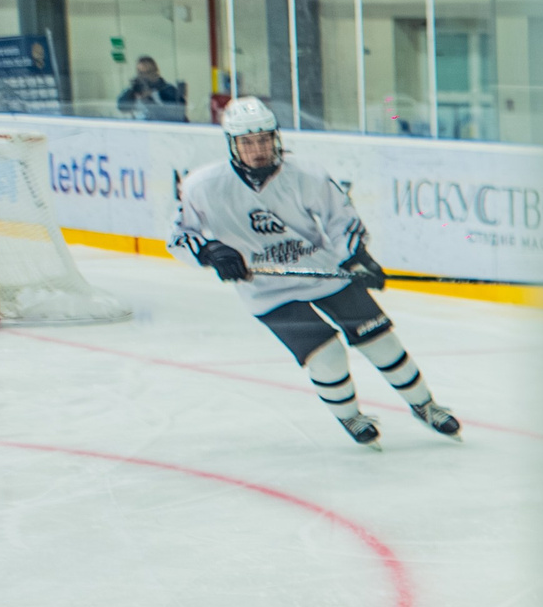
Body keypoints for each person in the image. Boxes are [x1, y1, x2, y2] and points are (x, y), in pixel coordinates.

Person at [174, 96, 460, 449]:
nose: (258, 149)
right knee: (327, 355)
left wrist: (356, 256)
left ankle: (426, 406)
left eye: (264, 139)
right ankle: (351, 417)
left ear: (275, 138)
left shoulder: (306, 174)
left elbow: (342, 221)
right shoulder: (202, 186)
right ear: (232, 144)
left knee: (381, 342)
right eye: (247, 142)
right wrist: (210, 251)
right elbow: (180, 237)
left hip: (322, 272)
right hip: (267, 290)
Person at [117, 55, 188, 122]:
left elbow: (178, 113)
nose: (144, 76)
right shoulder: (135, 89)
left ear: (155, 72)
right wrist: (131, 91)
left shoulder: (167, 89)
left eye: (148, 72)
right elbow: (122, 107)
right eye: (140, 73)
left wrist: (150, 98)